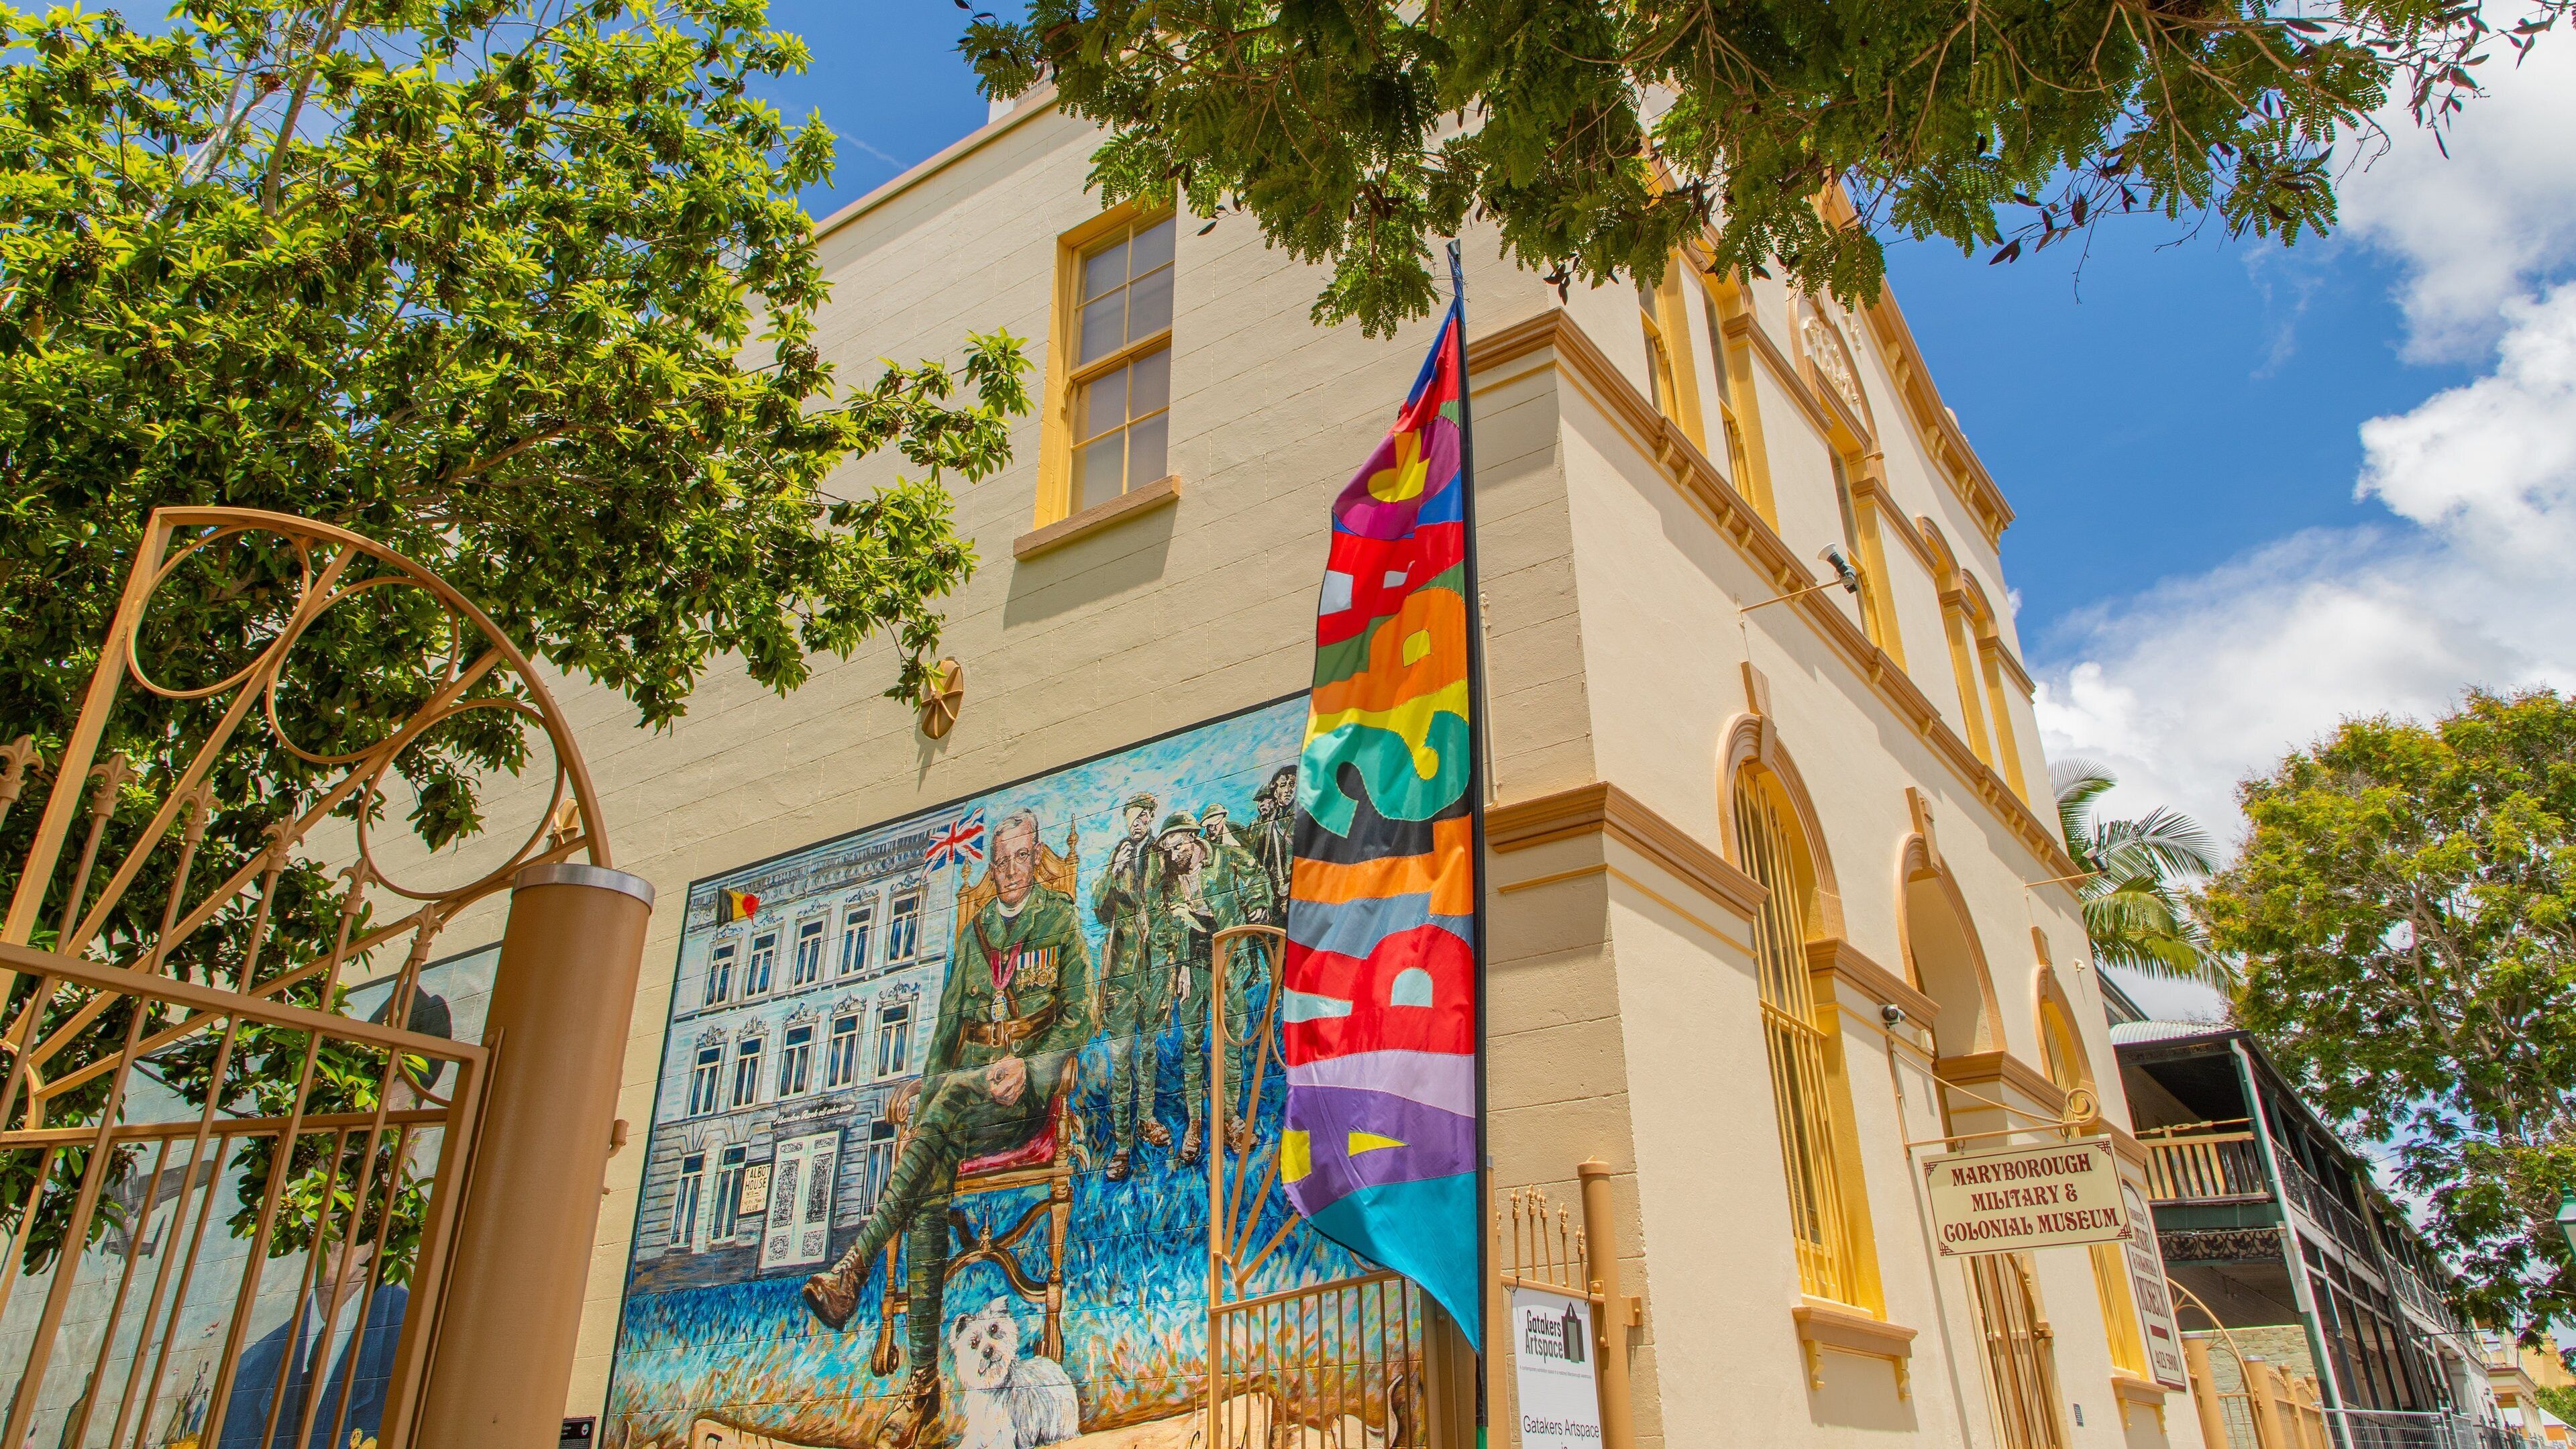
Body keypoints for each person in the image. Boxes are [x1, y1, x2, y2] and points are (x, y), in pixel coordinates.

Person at [799, 809, 1093, 1448]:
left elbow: (1083, 1015)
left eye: (1022, 858)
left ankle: (854, 1264)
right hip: (966, 1101)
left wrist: (1035, 1067)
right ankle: (925, 1391)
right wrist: (924, 1087)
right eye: (1002, 861)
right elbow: (944, 1030)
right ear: (991, 866)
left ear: (1035, 856)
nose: (1012, 871)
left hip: (1022, 1101)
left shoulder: (1061, 920)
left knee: (945, 1111)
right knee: (930, 1178)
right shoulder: (977, 933)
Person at [1089, 793, 1168, 1181]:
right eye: (1131, 818)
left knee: (1149, 1047)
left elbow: (1170, 903)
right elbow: (1099, 911)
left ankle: (1148, 1117)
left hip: (1152, 968)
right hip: (1122, 969)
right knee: (1121, 1057)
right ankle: (1122, 1142)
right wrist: (1112, 872)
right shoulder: (1118, 859)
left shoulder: (1161, 854)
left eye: (1142, 817)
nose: (1136, 823)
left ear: (1152, 818)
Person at [1247, 767, 1297, 927]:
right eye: (1283, 785)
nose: (1288, 790)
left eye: (1292, 784)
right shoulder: (1267, 825)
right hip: (1278, 897)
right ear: (1275, 791)